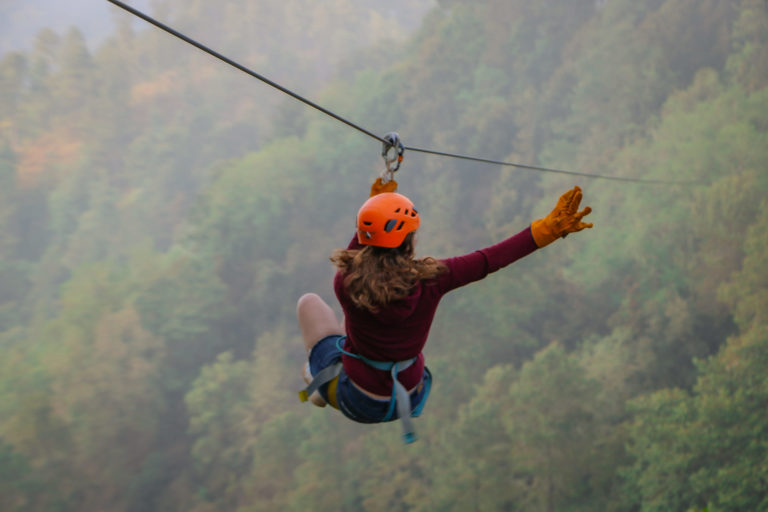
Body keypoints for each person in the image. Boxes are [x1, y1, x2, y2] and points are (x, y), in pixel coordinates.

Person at [297, 177, 593, 442]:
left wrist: (372, 210)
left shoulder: (346, 282)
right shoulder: (432, 279)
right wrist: (546, 231)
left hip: (357, 400)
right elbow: (489, 259)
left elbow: (355, 254)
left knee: (310, 304)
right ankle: (323, 384)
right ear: (410, 241)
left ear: (365, 236)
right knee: (351, 334)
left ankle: (318, 386)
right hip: (411, 394)